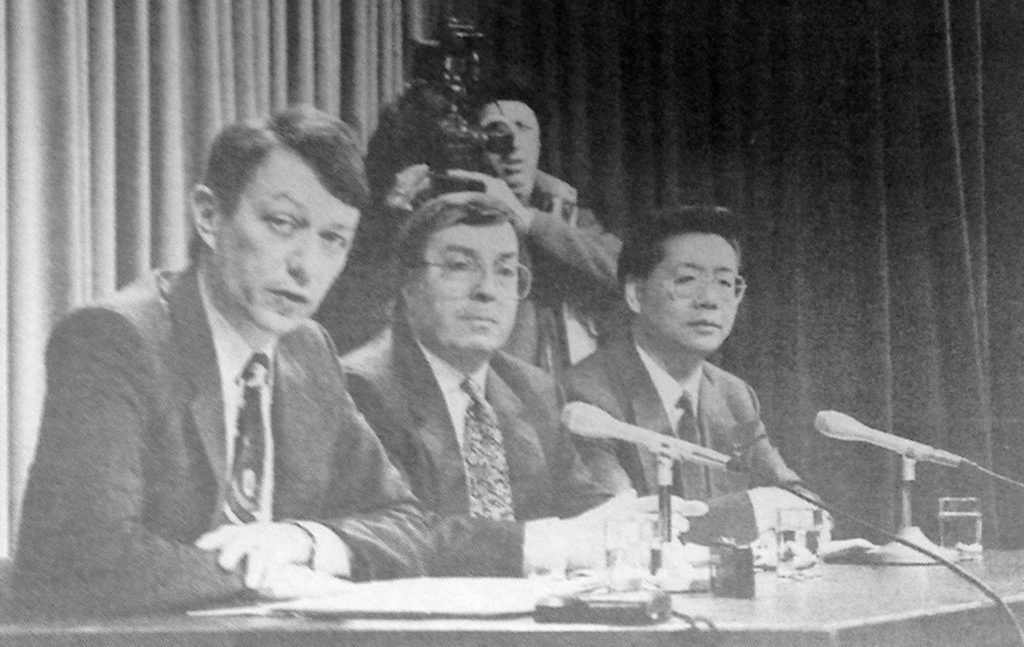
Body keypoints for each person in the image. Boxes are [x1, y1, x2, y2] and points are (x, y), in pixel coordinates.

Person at [14, 106, 427, 616]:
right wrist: (264, 576)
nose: (305, 266)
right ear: (209, 217)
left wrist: (305, 540)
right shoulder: (115, 339)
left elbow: (405, 519)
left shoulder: (307, 350)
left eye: (333, 239)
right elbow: (82, 554)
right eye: (282, 224)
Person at [341, 192, 703, 576]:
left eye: (506, 271)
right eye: (461, 266)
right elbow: (398, 532)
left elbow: (579, 506)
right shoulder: (362, 387)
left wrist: (631, 519)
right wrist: (544, 544)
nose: (487, 290)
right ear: (408, 284)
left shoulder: (532, 388)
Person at [317, 78, 622, 377]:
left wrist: (527, 219)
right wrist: (392, 212)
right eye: (495, 132)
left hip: (556, 377)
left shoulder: (565, 215)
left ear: (539, 142)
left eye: (523, 129)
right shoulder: (449, 210)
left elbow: (623, 269)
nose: (512, 145)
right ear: (477, 144)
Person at [565, 205, 809, 544]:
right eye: (687, 280)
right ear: (636, 294)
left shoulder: (733, 394)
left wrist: (773, 505)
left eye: (725, 283)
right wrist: (754, 510)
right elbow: (623, 527)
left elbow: (797, 500)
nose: (710, 300)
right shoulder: (587, 392)